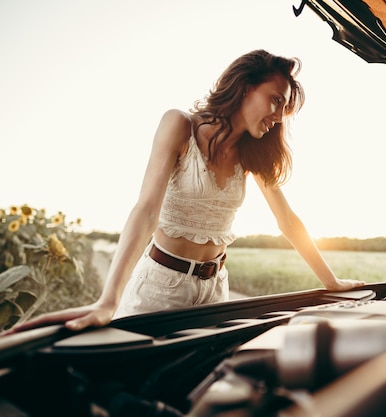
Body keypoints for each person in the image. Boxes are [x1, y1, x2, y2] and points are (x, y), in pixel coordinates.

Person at [9, 49, 365, 333]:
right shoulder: (179, 124)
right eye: (275, 100)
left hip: (216, 290)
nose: (279, 115)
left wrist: (330, 282)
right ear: (245, 87)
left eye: (284, 108)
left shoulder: (253, 152)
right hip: (160, 288)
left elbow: (287, 219)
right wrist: (108, 300)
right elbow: (145, 210)